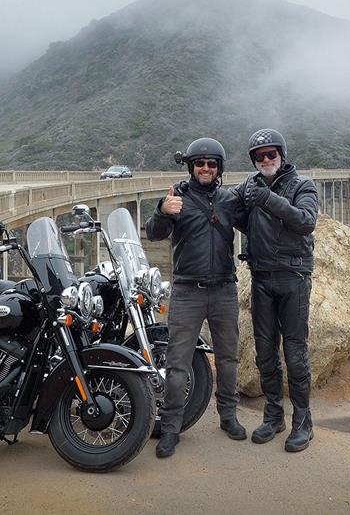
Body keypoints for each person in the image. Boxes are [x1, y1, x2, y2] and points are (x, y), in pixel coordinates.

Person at [145, 137, 247, 458]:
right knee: (177, 365)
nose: (205, 168)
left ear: (219, 169)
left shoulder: (230, 200)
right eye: (199, 163)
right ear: (191, 166)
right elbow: (153, 232)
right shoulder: (177, 198)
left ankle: (228, 416)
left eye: (211, 164)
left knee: (228, 359)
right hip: (187, 292)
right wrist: (163, 211)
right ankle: (172, 427)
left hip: (224, 290)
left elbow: (257, 225)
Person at [233, 128, 319, 452]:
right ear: (254, 160)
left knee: (296, 354)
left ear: (282, 155)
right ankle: (273, 415)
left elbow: (306, 220)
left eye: (271, 154)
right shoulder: (248, 186)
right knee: (265, 353)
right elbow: (239, 216)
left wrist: (268, 200)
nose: (266, 159)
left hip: (294, 277)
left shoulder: (302, 185)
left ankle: (303, 421)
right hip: (262, 279)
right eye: (259, 155)